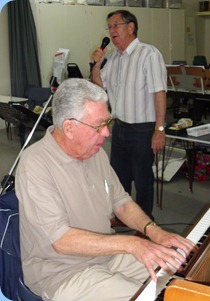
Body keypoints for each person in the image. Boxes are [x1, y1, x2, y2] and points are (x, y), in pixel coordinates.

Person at [15, 78, 196, 301]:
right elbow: (61, 241)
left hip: (107, 256)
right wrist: (132, 244)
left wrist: (154, 231)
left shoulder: (95, 152)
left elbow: (121, 202)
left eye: (107, 123)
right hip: (61, 274)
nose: (107, 134)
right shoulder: (35, 164)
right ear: (69, 128)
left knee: (181, 279)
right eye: (99, 126)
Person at [91, 10, 167, 219]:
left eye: (116, 25)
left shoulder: (149, 54)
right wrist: (96, 66)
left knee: (143, 181)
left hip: (143, 130)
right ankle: (123, 218)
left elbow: (159, 92)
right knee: (119, 178)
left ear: (131, 27)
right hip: (120, 128)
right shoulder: (114, 58)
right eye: (110, 27)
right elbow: (99, 88)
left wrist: (159, 129)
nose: (112, 31)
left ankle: (145, 224)